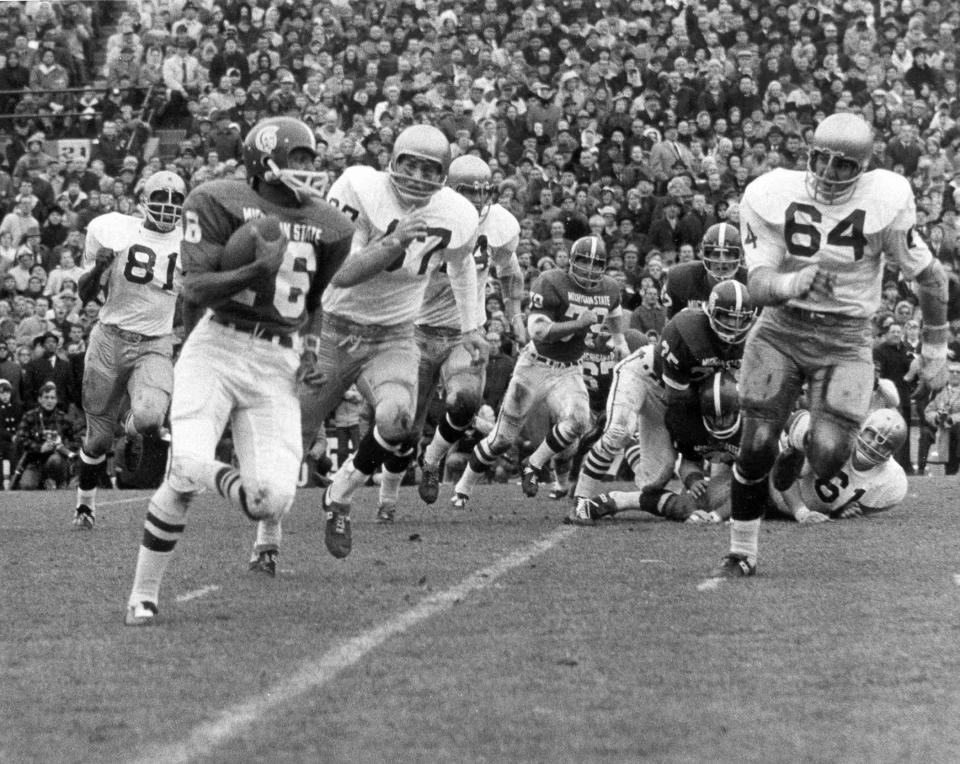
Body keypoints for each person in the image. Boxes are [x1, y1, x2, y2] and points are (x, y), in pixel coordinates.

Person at [124, 117, 355, 625]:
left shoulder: (332, 226)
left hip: (277, 360)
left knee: (272, 501)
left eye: (309, 159)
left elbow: (311, 304)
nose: (307, 169)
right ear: (262, 159)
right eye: (296, 158)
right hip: (218, 346)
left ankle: (235, 487)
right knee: (184, 469)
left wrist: (311, 352)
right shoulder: (217, 200)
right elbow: (196, 289)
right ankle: (143, 594)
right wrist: (255, 270)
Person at [713, 113, 949, 579]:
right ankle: (742, 550)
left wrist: (936, 350)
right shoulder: (771, 192)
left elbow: (930, 278)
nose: (827, 172)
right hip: (782, 327)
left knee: (829, 454)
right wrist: (792, 282)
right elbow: (757, 284)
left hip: (846, 337)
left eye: (842, 164)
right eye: (819, 158)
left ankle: (799, 438)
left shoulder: (887, 199)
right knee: (756, 442)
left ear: (863, 166)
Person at [297, 124, 485, 557]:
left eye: (429, 168)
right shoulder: (359, 186)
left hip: (394, 333)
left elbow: (459, 266)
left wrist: (472, 326)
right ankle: (266, 543)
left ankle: (340, 494)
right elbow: (340, 272)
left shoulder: (456, 212)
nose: (418, 176)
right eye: (410, 164)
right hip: (333, 327)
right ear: (392, 162)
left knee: (399, 423)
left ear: (443, 175)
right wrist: (395, 241)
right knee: (297, 438)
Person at [452, 236, 629, 508]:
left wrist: (619, 340)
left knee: (579, 421)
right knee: (502, 439)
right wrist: (577, 325)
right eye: (583, 262)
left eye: (596, 264)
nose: (590, 270)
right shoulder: (551, 281)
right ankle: (462, 487)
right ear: (571, 260)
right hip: (535, 365)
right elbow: (538, 331)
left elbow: (614, 309)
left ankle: (533, 464)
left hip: (569, 370)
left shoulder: (610, 288)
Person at [403, 154, 525, 518]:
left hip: (465, 332)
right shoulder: (425, 216)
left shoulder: (500, 223)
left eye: (482, 191)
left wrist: (515, 315)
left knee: (467, 401)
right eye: (467, 191)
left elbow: (510, 271)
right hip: (418, 330)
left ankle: (433, 459)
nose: (476, 199)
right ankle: (388, 499)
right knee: (406, 427)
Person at [569, 280, 756, 517]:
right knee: (618, 431)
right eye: (727, 317)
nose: (734, 325)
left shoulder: (754, 339)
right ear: (710, 311)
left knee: (653, 481)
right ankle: (581, 499)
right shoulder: (686, 329)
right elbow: (676, 399)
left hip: (688, 399)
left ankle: (633, 442)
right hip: (647, 376)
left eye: (741, 319)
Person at [73, 170, 186, 529]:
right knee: (98, 439)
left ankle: (132, 427)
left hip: (154, 344)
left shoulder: (191, 243)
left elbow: (194, 299)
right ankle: (85, 506)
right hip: (109, 337)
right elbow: (85, 294)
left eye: (175, 200)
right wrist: (102, 266)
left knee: (151, 418)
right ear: (143, 200)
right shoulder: (114, 229)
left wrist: (173, 329)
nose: (168, 206)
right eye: (160, 198)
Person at [571, 369, 742, 525]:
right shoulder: (691, 421)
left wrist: (718, 515)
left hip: (747, 474)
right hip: (649, 375)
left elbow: (755, 483)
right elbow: (689, 461)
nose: (720, 424)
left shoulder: (754, 428)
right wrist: (693, 480)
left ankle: (615, 499)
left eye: (726, 417)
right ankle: (632, 445)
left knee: (701, 504)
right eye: (714, 417)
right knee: (653, 481)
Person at [769, 408, 909, 522]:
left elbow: (863, 508)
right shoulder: (835, 438)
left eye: (885, 445)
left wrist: (843, 508)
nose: (874, 445)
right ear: (862, 428)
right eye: (871, 435)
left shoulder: (892, 480)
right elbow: (784, 468)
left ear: (892, 452)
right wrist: (801, 512)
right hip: (767, 486)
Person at [660, 222, 748, 318]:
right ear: (705, 254)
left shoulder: (749, 282)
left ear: (739, 256)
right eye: (715, 254)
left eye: (729, 254)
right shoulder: (681, 277)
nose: (722, 260)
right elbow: (669, 327)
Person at [12, 381, 78, 491]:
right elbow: (20, 440)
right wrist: (40, 448)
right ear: (39, 399)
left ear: (56, 400)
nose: (49, 401)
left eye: (53, 398)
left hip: (57, 461)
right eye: (46, 397)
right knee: (27, 485)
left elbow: (76, 441)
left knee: (55, 460)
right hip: (35, 461)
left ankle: (59, 482)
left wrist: (63, 445)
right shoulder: (29, 416)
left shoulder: (64, 418)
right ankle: (43, 482)